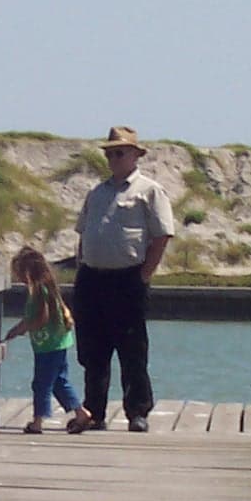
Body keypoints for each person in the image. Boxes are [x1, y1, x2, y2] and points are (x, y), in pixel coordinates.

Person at [70, 125, 175, 432]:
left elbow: (162, 235)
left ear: (135, 155)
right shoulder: (97, 192)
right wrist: (82, 266)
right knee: (92, 350)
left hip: (128, 280)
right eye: (109, 153)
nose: (113, 158)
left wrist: (144, 275)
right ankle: (94, 411)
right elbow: (83, 232)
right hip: (92, 279)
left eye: (119, 153)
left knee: (132, 350)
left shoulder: (149, 191)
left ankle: (137, 411)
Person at [3, 245, 80, 434]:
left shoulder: (39, 293)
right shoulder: (47, 289)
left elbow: (39, 318)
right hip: (57, 343)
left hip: (49, 347)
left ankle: (37, 421)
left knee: (41, 383)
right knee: (59, 381)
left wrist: (19, 329)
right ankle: (81, 413)